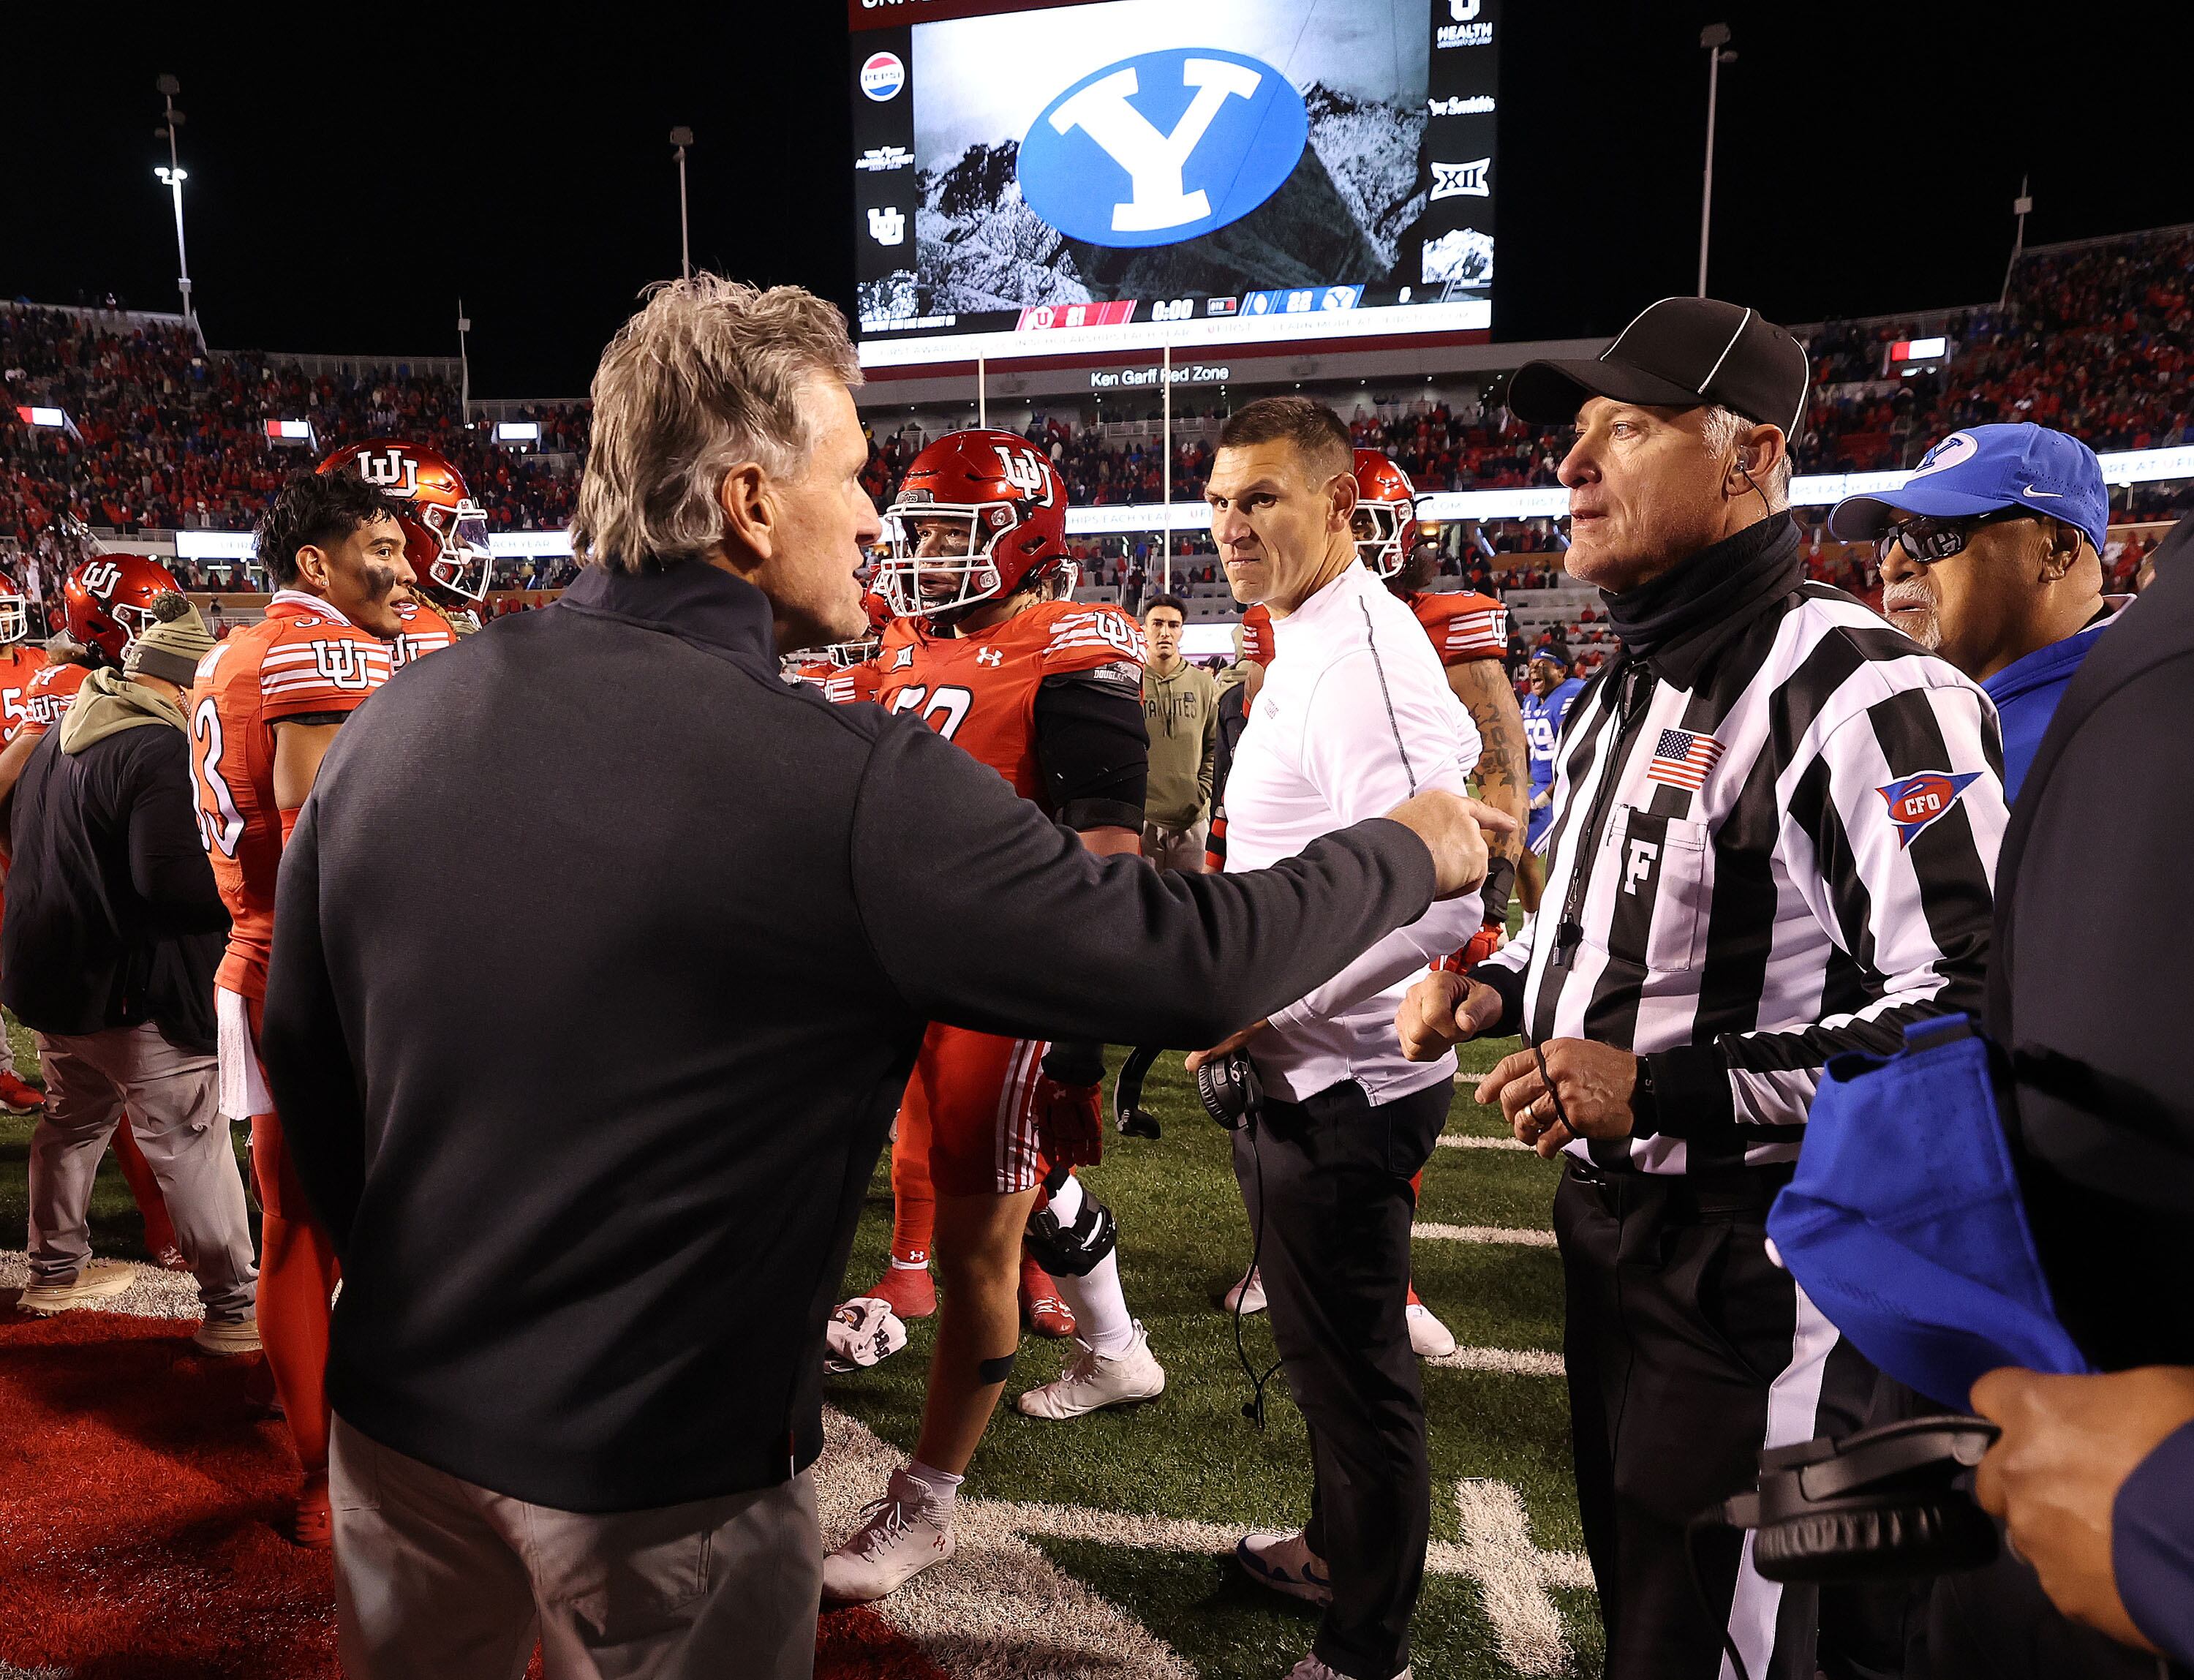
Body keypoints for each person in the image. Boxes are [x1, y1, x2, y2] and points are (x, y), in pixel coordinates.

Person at [259, 276, 1497, 1680]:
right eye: (850, 478)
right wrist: (1405, 849)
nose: (873, 523)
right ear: (747, 501)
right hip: (661, 1457)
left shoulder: (397, 715)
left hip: (400, 1417)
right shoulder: (842, 781)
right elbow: (1185, 964)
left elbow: (307, 1056)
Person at [1397, 296, 2008, 1680]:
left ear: (1751, 459)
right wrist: (1500, 982)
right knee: (1645, 1601)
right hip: (1616, 1237)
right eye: (1576, 432)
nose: (1571, 463)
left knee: (1740, 1640)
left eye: (1626, 428)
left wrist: (1666, 1082)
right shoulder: (1623, 686)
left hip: (1767, 1254)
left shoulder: (1861, 687)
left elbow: (1971, 1002)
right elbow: (1623, 924)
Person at [1190, 396, 1509, 1680]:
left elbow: (1455, 885)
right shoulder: (1312, 632)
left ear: (1336, 504)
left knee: (1358, 1373)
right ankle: (1335, 1549)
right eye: (1217, 501)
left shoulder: (1360, 648)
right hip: (1312, 1067)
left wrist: (1268, 1004)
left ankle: (1364, 1646)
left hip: (1349, 1080)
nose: (1230, 524)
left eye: (1260, 498)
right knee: (1325, 1361)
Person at [826, 428, 1174, 1603]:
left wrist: (1075, 1018)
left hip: (995, 991)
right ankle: (1119, 1349)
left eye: (947, 533)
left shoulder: (1069, 643)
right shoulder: (898, 644)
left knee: (983, 1240)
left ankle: (923, 1508)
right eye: (914, 530)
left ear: (1024, 539)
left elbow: (1106, 856)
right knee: (1001, 1195)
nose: (921, 553)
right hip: (899, 985)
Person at [1920, 508, 2194, 1679]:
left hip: (2120, 1464)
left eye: (1945, 539)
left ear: (2058, 552)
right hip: (2039, 1385)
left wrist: (2176, 1515)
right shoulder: (2111, 681)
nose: (1908, 570)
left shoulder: (2143, 684)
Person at [189, 469, 410, 1547]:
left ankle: (315, 1444)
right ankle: (333, 1475)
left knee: (292, 1229)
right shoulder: (319, 650)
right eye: (383, 545)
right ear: (315, 564)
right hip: (328, 968)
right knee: (359, 1229)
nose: (407, 568)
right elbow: (332, 846)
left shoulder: (226, 647)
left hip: (258, 953)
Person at [2, 595, 259, 1350]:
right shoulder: (153, 746)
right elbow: (172, 884)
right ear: (183, 686)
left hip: (58, 986)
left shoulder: (62, 732)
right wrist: (245, 883)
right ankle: (236, 1305)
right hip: (130, 988)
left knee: (71, 1124)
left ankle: (53, 1269)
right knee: (190, 1139)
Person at [1828, 422, 2122, 802]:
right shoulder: (1912, 703)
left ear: (2058, 550)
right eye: (1888, 541)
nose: (1890, 567)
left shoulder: (2140, 719)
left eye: (1934, 533)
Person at [1139, 592, 1218, 873]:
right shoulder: (1131, 682)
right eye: (1157, 624)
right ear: (1145, 629)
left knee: (1191, 906)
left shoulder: (1203, 684)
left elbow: (1213, 745)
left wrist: (1202, 792)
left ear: (1181, 632)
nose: (1165, 632)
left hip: (1192, 818)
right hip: (1143, 819)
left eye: (1173, 625)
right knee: (1144, 903)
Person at [1517, 643, 1584, 913]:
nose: (1533, 670)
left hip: (1567, 790)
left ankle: (1534, 928)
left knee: (1525, 853)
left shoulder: (1574, 694)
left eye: (1542, 665)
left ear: (1562, 670)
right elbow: (1524, 746)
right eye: (1531, 665)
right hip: (1539, 787)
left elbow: (1578, 754)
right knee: (1506, 848)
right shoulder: (1532, 700)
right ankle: (1527, 927)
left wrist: (1545, 797)